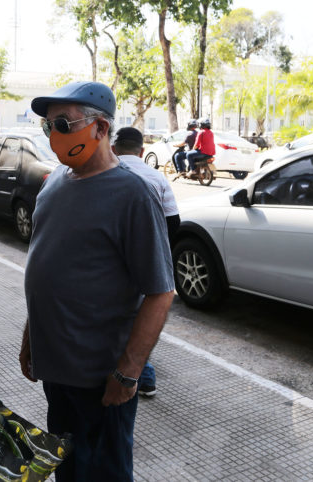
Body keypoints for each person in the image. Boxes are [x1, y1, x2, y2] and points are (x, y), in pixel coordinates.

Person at [20, 81, 175, 481]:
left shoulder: (133, 195)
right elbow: (46, 271)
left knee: (103, 474)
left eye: (63, 124)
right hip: (57, 372)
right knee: (67, 470)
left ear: (101, 129)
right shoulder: (54, 183)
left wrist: (128, 373)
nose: (54, 135)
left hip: (102, 382)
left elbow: (160, 292)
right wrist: (30, 338)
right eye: (48, 126)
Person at [112, 126, 179, 398]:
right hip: (146, 261)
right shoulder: (156, 178)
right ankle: (144, 377)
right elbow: (173, 222)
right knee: (141, 317)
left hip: (113, 262)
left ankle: (137, 373)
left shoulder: (106, 174)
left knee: (122, 319)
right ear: (141, 151)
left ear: (114, 148)